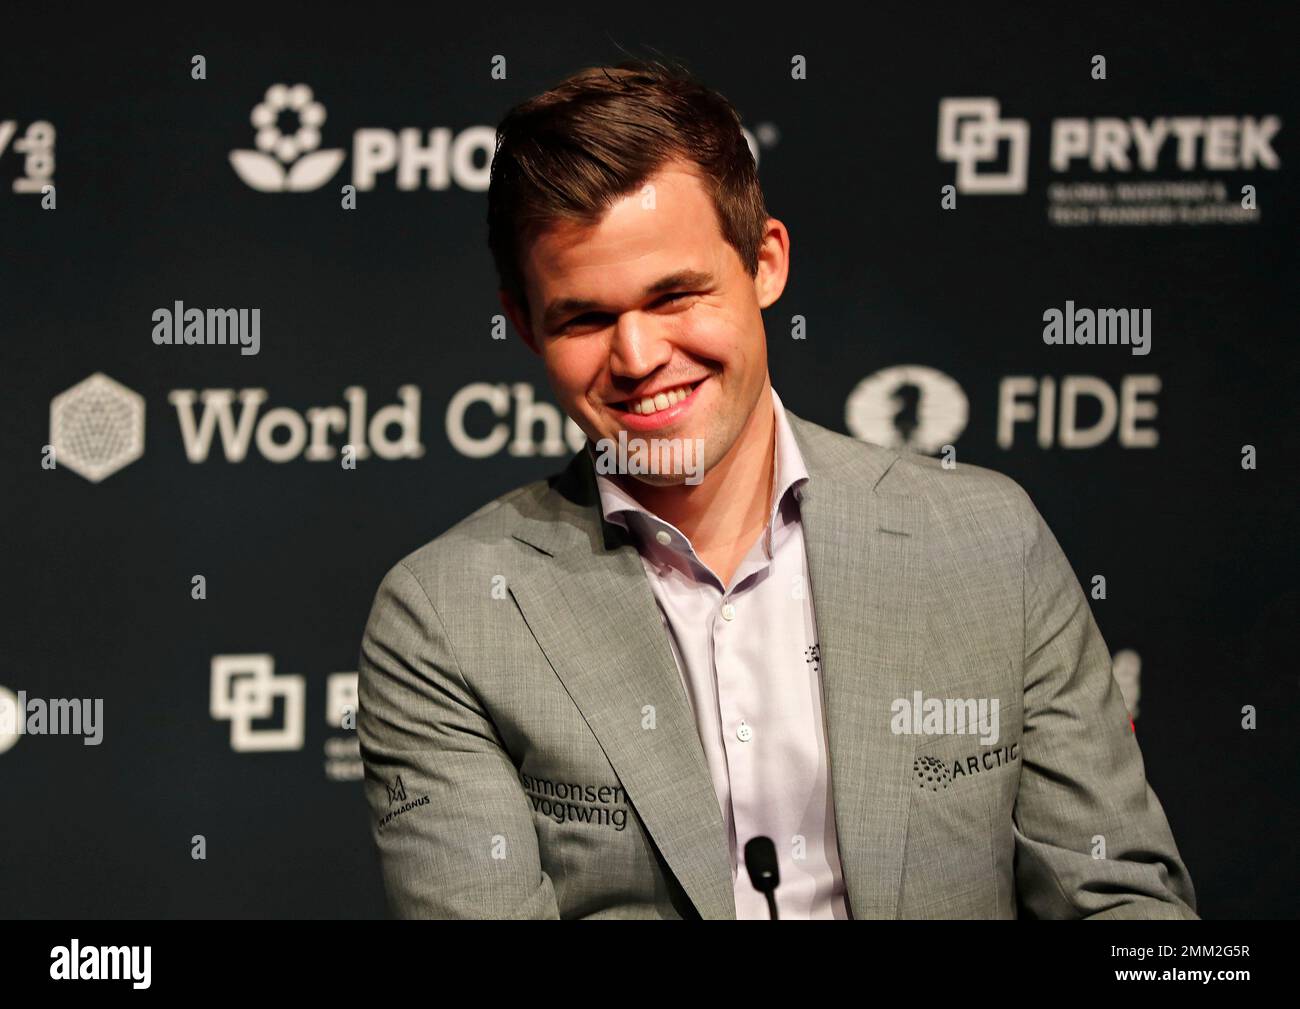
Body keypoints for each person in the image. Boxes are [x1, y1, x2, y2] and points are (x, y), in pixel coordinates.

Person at [356, 59, 1197, 919]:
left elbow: (1123, 905)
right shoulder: (448, 617)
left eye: (676, 295)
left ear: (765, 263)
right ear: (526, 327)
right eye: (587, 318)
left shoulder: (987, 538)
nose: (639, 356)